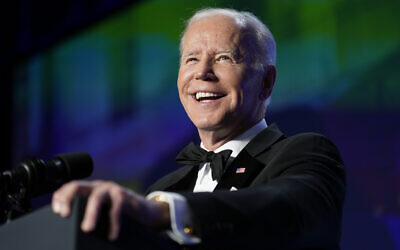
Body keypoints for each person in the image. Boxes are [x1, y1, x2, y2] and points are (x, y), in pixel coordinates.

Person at [52, 8, 346, 250]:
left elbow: (285, 210)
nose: (202, 73)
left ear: (266, 82)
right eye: (191, 59)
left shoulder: (305, 152)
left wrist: (166, 211)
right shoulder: (161, 186)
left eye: (224, 58)